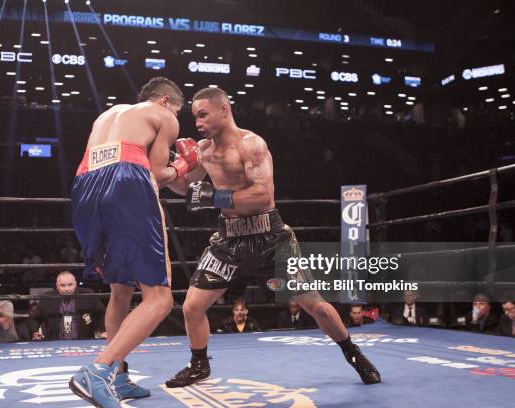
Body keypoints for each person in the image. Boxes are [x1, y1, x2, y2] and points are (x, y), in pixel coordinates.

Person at [165, 87, 380, 388]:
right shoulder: (203, 150)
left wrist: (212, 195)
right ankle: (199, 365)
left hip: (269, 238)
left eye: (203, 114)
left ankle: (354, 354)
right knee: (191, 306)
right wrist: (175, 167)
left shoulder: (251, 145)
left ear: (224, 110)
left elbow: (262, 195)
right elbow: (187, 191)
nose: (197, 122)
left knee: (314, 305)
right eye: (194, 116)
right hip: (229, 241)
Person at [68, 77, 201, 407]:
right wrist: (185, 163)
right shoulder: (164, 115)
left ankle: (119, 375)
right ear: (167, 101)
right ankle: (97, 372)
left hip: (84, 186)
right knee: (159, 298)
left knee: (121, 289)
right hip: (126, 184)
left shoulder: (108, 116)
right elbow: (156, 174)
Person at [38, 271, 106, 340]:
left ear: (75, 284)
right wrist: (35, 331)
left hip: (84, 341)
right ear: (57, 286)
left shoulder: (87, 294)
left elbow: (101, 314)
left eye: (70, 285)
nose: (67, 289)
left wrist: (104, 331)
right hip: (54, 342)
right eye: (63, 285)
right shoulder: (47, 297)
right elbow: (35, 318)